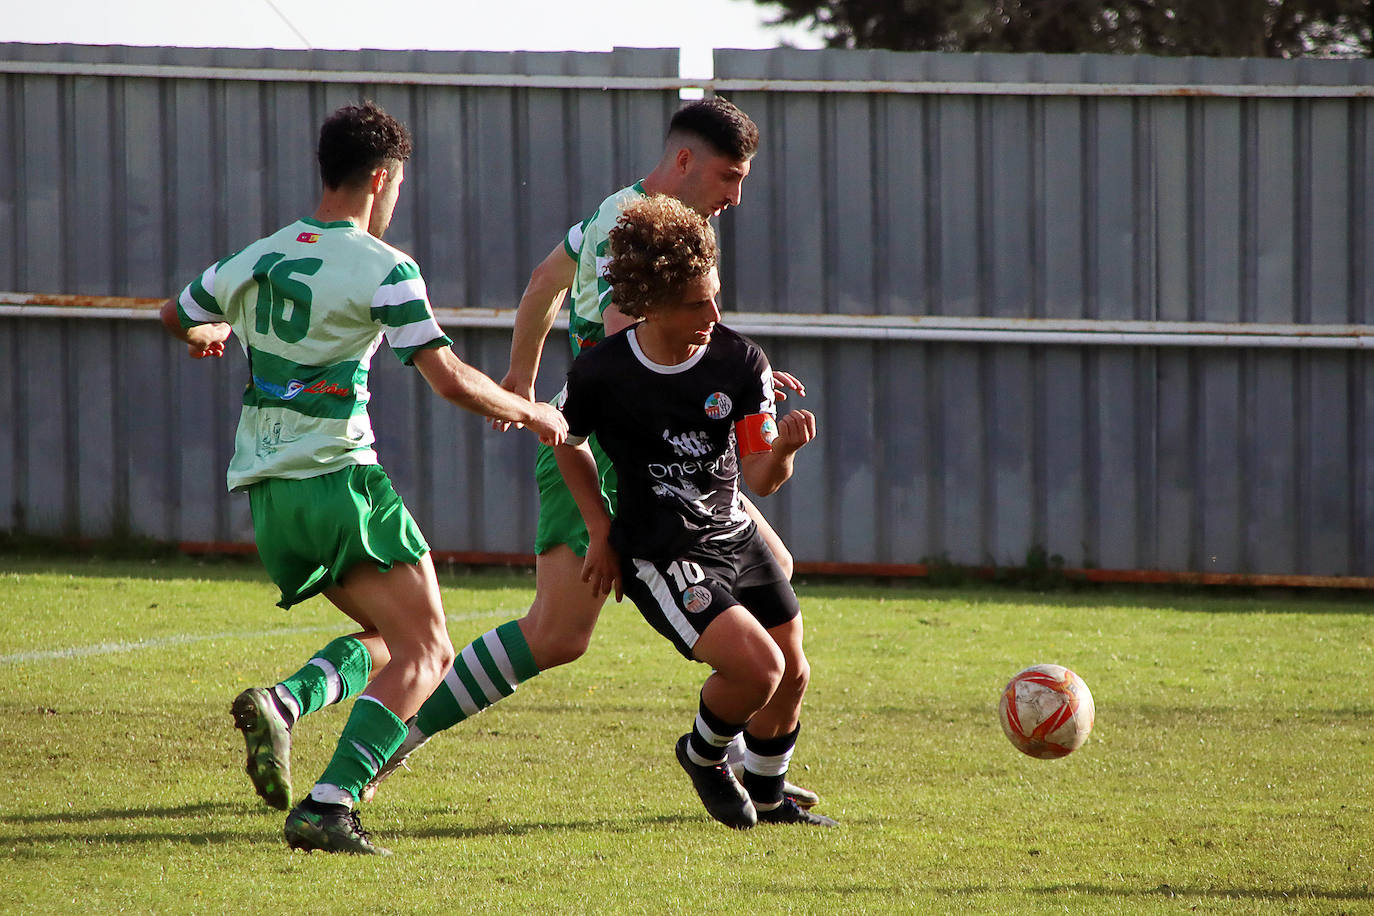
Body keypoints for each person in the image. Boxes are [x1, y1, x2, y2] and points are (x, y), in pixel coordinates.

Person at [360, 97, 818, 809]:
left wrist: (522, 373)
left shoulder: (626, 213)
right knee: (556, 633)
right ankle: (388, 745)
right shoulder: (626, 230)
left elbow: (545, 280)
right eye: (730, 177)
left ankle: (763, 777)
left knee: (773, 568)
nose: (735, 196)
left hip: (655, 448)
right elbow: (625, 341)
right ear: (685, 161)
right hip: (611, 450)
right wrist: (724, 375)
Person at [159, 101, 567, 855]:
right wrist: (533, 410)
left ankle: (284, 703)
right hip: (341, 481)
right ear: (382, 178)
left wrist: (212, 330)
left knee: (388, 634)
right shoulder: (386, 269)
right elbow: (447, 379)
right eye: (400, 186)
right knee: (430, 653)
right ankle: (331, 802)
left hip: (268, 493)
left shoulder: (260, 255)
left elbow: (174, 311)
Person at [554, 194, 833, 828]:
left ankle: (769, 795)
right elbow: (566, 446)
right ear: (647, 303)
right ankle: (703, 756)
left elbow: (761, 477)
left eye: (715, 296)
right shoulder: (603, 372)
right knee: (756, 668)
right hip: (663, 550)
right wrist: (600, 530)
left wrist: (784, 450)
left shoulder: (742, 362)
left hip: (735, 533)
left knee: (791, 672)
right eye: (693, 303)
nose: (712, 314)